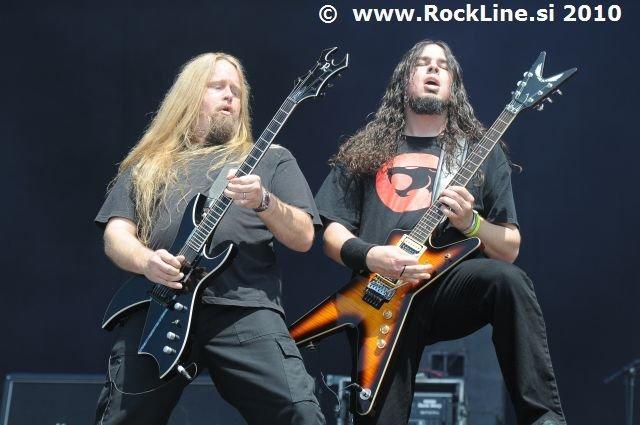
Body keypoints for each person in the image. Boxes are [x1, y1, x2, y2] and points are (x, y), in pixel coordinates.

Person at [314, 40, 566, 425]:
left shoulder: (481, 153)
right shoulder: (366, 149)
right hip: (380, 294)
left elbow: (510, 247)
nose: (433, 69)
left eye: (443, 66)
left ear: (454, 86)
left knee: (508, 282)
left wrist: (471, 223)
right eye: (423, 63)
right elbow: (331, 232)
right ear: (404, 80)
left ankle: (543, 419)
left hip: (448, 286)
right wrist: (371, 256)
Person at [94, 52, 325, 425]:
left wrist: (264, 201)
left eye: (237, 90)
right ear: (188, 95)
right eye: (217, 86)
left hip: (243, 306)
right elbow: (116, 234)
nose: (230, 96)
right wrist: (147, 261)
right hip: (159, 305)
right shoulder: (149, 164)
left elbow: (302, 237)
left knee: (299, 413)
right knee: (124, 417)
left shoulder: (271, 158)